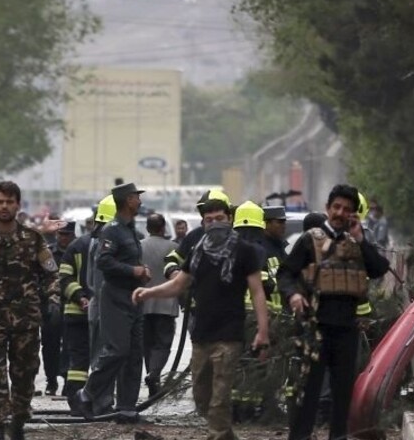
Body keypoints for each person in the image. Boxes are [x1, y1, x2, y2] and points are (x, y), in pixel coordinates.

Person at [134, 195, 270, 437]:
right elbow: (178, 285)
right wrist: (148, 292)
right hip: (201, 335)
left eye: (219, 218)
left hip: (229, 334)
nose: (215, 223)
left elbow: (257, 292)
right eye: (209, 220)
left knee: (219, 398)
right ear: (203, 223)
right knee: (201, 396)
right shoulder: (198, 251)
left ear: (229, 219)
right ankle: (226, 436)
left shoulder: (245, 251)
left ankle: (216, 435)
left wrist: (262, 331)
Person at [278, 185, 390, 440]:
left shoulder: (356, 242)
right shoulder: (310, 240)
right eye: (336, 207)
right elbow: (286, 273)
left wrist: (360, 239)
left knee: (342, 395)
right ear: (328, 208)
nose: (340, 213)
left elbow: (379, 268)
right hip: (315, 328)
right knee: (308, 392)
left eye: (347, 209)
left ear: (354, 214)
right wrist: (293, 295)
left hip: (346, 330)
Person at [0, 180, 60, 440]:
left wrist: (53, 300)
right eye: (0, 202)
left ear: (17, 204)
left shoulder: (33, 240)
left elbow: (51, 274)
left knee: (25, 374)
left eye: (9, 201)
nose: (4, 207)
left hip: (26, 321)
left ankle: (18, 422)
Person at [73, 182, 149, 422]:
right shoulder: (112, 230)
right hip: (115, 296)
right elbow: (103, 261)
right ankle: (87, 393)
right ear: (128, 200)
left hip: (134, 298)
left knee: (135, 355)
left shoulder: (130, 230)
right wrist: (133, 271)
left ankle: (126, 408)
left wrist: (140, 273)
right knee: (118, 350)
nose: (140, 200)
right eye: (137, 196)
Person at [60, 196, 115, 402]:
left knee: (79, 361)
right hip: (101, 313)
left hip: (77, 312)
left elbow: (64, 278)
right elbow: (64, 276)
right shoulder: (104, 246)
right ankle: (98, 401)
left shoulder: (76, 245)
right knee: (102, 358)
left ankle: (77, 402)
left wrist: (79, 297)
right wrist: (83, 298)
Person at [138, 213, 177, 397]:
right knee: (163, 344)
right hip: (166, 305)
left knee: (147, 344)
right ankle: (154, 374)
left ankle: (151, 375)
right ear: (163, 228)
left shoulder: (139, 247)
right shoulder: (173, 248)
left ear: (147, 228)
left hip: (143, 303)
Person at [164, 189, 232, 279]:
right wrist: (173, 271)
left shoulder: (240, 243)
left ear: (229, 217)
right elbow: (173, 258)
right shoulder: (195, 237)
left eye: (219, 217)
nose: (214, 222)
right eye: (209, 217)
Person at [42, 220, 74, 395]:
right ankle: (51, 380)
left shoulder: (76, 251)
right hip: (50, 306)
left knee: (70, 345)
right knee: (50, 346)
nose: (63, 238)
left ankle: (67, 378)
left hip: (72, 303)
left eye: (67, 235)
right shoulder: (48, 253)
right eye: (61, 234)